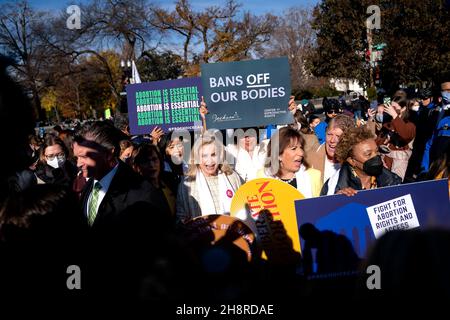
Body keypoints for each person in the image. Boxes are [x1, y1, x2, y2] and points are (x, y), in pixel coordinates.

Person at [176, 132, 243, 224]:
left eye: (213, 155)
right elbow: (180, 218)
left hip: (234, 234)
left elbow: (244, 209)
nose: (210, 161)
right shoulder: (187, 184)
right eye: (204, 156)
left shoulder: (233, 177)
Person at [321, 126, 402, 196]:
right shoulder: (333, 185)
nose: (376, 157)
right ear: (352, 161)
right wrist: (338, 201)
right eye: (368, 154)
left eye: (377, 151)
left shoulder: (393, 181)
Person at [259, 127, 321, 198]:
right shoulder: (262, 177)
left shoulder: (314, 176)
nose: (301, 153)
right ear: (278, 155)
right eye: (294, 149)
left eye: (301, 148)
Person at [306, 114, 355, 186]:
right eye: (329, 134)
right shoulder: (308, 160)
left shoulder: (355, 161)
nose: (332, 140)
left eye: (338, 136)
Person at [375, 96, 416, 181]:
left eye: (394, 107)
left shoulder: (410, 124)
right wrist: (373, 119)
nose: (391, 109)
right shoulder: (388, 123)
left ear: (403, 108)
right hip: (385, 160)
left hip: (398, 162)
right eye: (391, 106)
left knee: (395, 185)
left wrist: (394, 115)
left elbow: (406, 135)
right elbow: (377, 140)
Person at [131, 143, 177, 216]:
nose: (151, 165)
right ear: (137, 166)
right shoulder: (132, 193)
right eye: (146, 161)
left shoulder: (171, 182)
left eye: (154, 159)